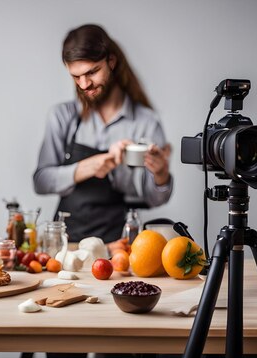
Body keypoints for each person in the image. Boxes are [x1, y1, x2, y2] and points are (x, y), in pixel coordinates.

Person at [33, 24, 173, 245]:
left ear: (111, 62)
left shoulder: (145, 122)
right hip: (66, 247)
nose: (84, 84)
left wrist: (161, 174)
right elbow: (41, 181)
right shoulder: (63, 116)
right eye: (76, 77)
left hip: (116, 247)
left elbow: (154, 198)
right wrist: (90, 166)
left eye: (92, 72)